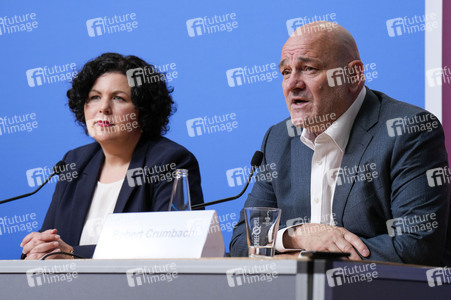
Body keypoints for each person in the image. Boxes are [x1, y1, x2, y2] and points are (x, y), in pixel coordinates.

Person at [230, 22, 451, 266]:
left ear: (353, 76)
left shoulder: (407, 130)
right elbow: (243, 241)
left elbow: (415, 247)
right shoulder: (278, 139)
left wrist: (306, 258)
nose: (293, 84)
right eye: (285, 72)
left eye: (309, 69)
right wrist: (298, 235)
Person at [20, 53, 204, 259]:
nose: (103, 108)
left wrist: (72, 254)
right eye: (94, 97)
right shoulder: (74, 162)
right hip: (68, 290)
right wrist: (38, 248)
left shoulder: (170, 161)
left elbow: (173, 246)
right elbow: (51, 242)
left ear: (142, 111)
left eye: (118, 98)